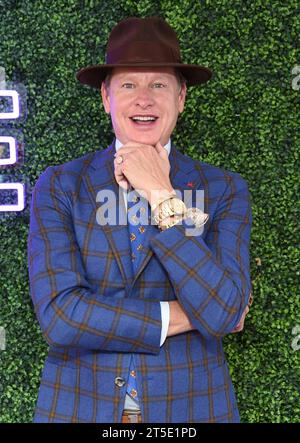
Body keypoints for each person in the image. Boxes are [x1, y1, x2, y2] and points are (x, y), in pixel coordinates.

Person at [27, 16, 253, 423]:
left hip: (192, 410)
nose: (144, 98)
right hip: (80, 407)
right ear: (106, 97)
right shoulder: (60, 184)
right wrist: (188, 315)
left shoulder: (225, 189)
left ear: (181, 97)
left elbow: (222, 312)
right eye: (129, 84)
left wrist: (159, 192)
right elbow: (61, 317)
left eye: (159, 85)